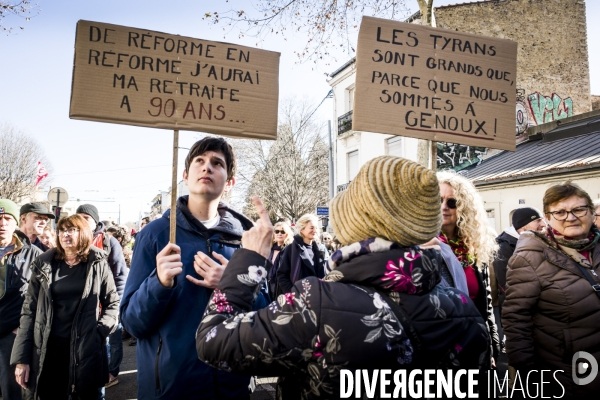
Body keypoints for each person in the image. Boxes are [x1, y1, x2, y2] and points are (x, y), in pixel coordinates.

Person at [196, 156, 490, 399]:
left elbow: (213, 341)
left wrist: (249, 260)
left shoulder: (317, 304)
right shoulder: (465, 311)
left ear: (358, 222)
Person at [120, 137, 258, 399]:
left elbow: (265, 315)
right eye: (199, 161)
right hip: (171, 388)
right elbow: (131, 322)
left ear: (229, 182)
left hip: (231, 386)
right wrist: (158, 284)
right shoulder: (155, 234)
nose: (207, 167)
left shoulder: (246, 240)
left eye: (217, 163)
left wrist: (232, 285)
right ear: (185, 175)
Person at [502, 181, 600, 395]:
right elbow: (516, 321)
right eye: (560, 212)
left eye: (579, 209)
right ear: (547, 218)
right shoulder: (530, 257)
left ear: (592, 212)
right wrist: (528, 378)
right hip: (564, 374)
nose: (571, 217)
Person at [11, 214, 119, 399]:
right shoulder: (43, 263)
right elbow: (28, 311)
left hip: (85, 349)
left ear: (84, 233)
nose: (65, 234)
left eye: (72, 230)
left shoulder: (97, 262)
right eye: (62, 230)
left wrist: (98, 332)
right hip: (47, 349)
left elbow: (113, 303)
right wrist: (21, 359)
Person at [436, 170, 500, 367]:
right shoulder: (424, 247)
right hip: (441, 346)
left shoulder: (474, 246)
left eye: (452, 202)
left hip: (475, 342)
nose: (444, 207)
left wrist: (492, 346)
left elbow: (486, 303)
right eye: (437, 200)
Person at [76, 204, 128, 389]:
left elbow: (120, 275)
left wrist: (117, 303)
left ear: (95, 221)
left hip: (108, 303)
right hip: (84, 308)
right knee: (96, 344)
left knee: (112, 340)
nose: (82, 221)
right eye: (79, 217)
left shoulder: (108, 242)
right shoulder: (72, 241)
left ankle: (111, 372)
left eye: (86, 217)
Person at [0, 200, 41, 400]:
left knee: (12, 391)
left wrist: (24, 328)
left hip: (12, 335)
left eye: (7, 218)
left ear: (16, 222)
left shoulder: (34, 254)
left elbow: (43, 298)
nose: (2, 223)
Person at [492, 207, 546, 352]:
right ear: (523, 226)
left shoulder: (538, 242)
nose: (543, 224)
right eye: (538, 220)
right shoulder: (503, 247)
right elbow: (506, 285)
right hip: (520, 314)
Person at [275, 214, 326, 296]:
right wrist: (292, 293)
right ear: (302, 229)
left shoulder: (319, 249)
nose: (315, 231)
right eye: (312, 228)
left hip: (317, 297)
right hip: (298, 299)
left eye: (316, 228)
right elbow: (282, 275)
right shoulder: (291, 249)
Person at [266, 221, 293, 296]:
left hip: (282, 288)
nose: (279, 234)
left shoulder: (289, 249)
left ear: (287, 234)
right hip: (268, 285)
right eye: (277, 231)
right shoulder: (269, 249)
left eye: (282, 232)